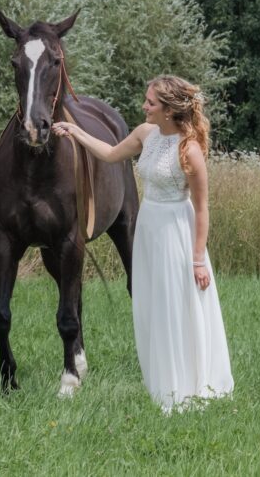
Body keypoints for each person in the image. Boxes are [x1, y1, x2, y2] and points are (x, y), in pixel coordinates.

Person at [52, 75, 233, 412]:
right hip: (149, 228)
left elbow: (203, 207)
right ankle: (162, 384)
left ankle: (187, 388)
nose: (144, 106)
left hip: (177, 231)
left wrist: (197, 260)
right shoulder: (145, 135)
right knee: (153, 307)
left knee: (178, 306)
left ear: (168, 110)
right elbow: (108, 154)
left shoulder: (189, 149)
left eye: (150, 102)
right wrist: (75, 131)